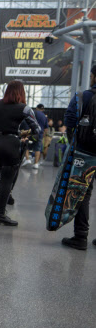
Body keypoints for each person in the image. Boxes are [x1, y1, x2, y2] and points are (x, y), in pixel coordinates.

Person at [0, 80, 39, 226]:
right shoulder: (25, 108)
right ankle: (0, 215)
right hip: (10, 144)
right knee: (6, 180)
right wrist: (24, 135)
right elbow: (37, 130)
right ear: (21, 92)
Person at [61, 65, 96, 250]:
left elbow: (69, 121)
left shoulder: (82, 97)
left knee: (83, 193)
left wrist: (74, 146)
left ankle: (81, 237)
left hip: (85, 153)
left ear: (93, 76)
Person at [21, 103, 49, 170]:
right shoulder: (44, 116)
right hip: (39, 133)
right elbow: (46, 128)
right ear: (42, 109)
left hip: (30, 132)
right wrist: (44, 135)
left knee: (26, 145)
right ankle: (36, 164)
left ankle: (27, 159)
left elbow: (26, 121)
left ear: (36, 108)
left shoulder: (33, 112)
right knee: (38, 149)